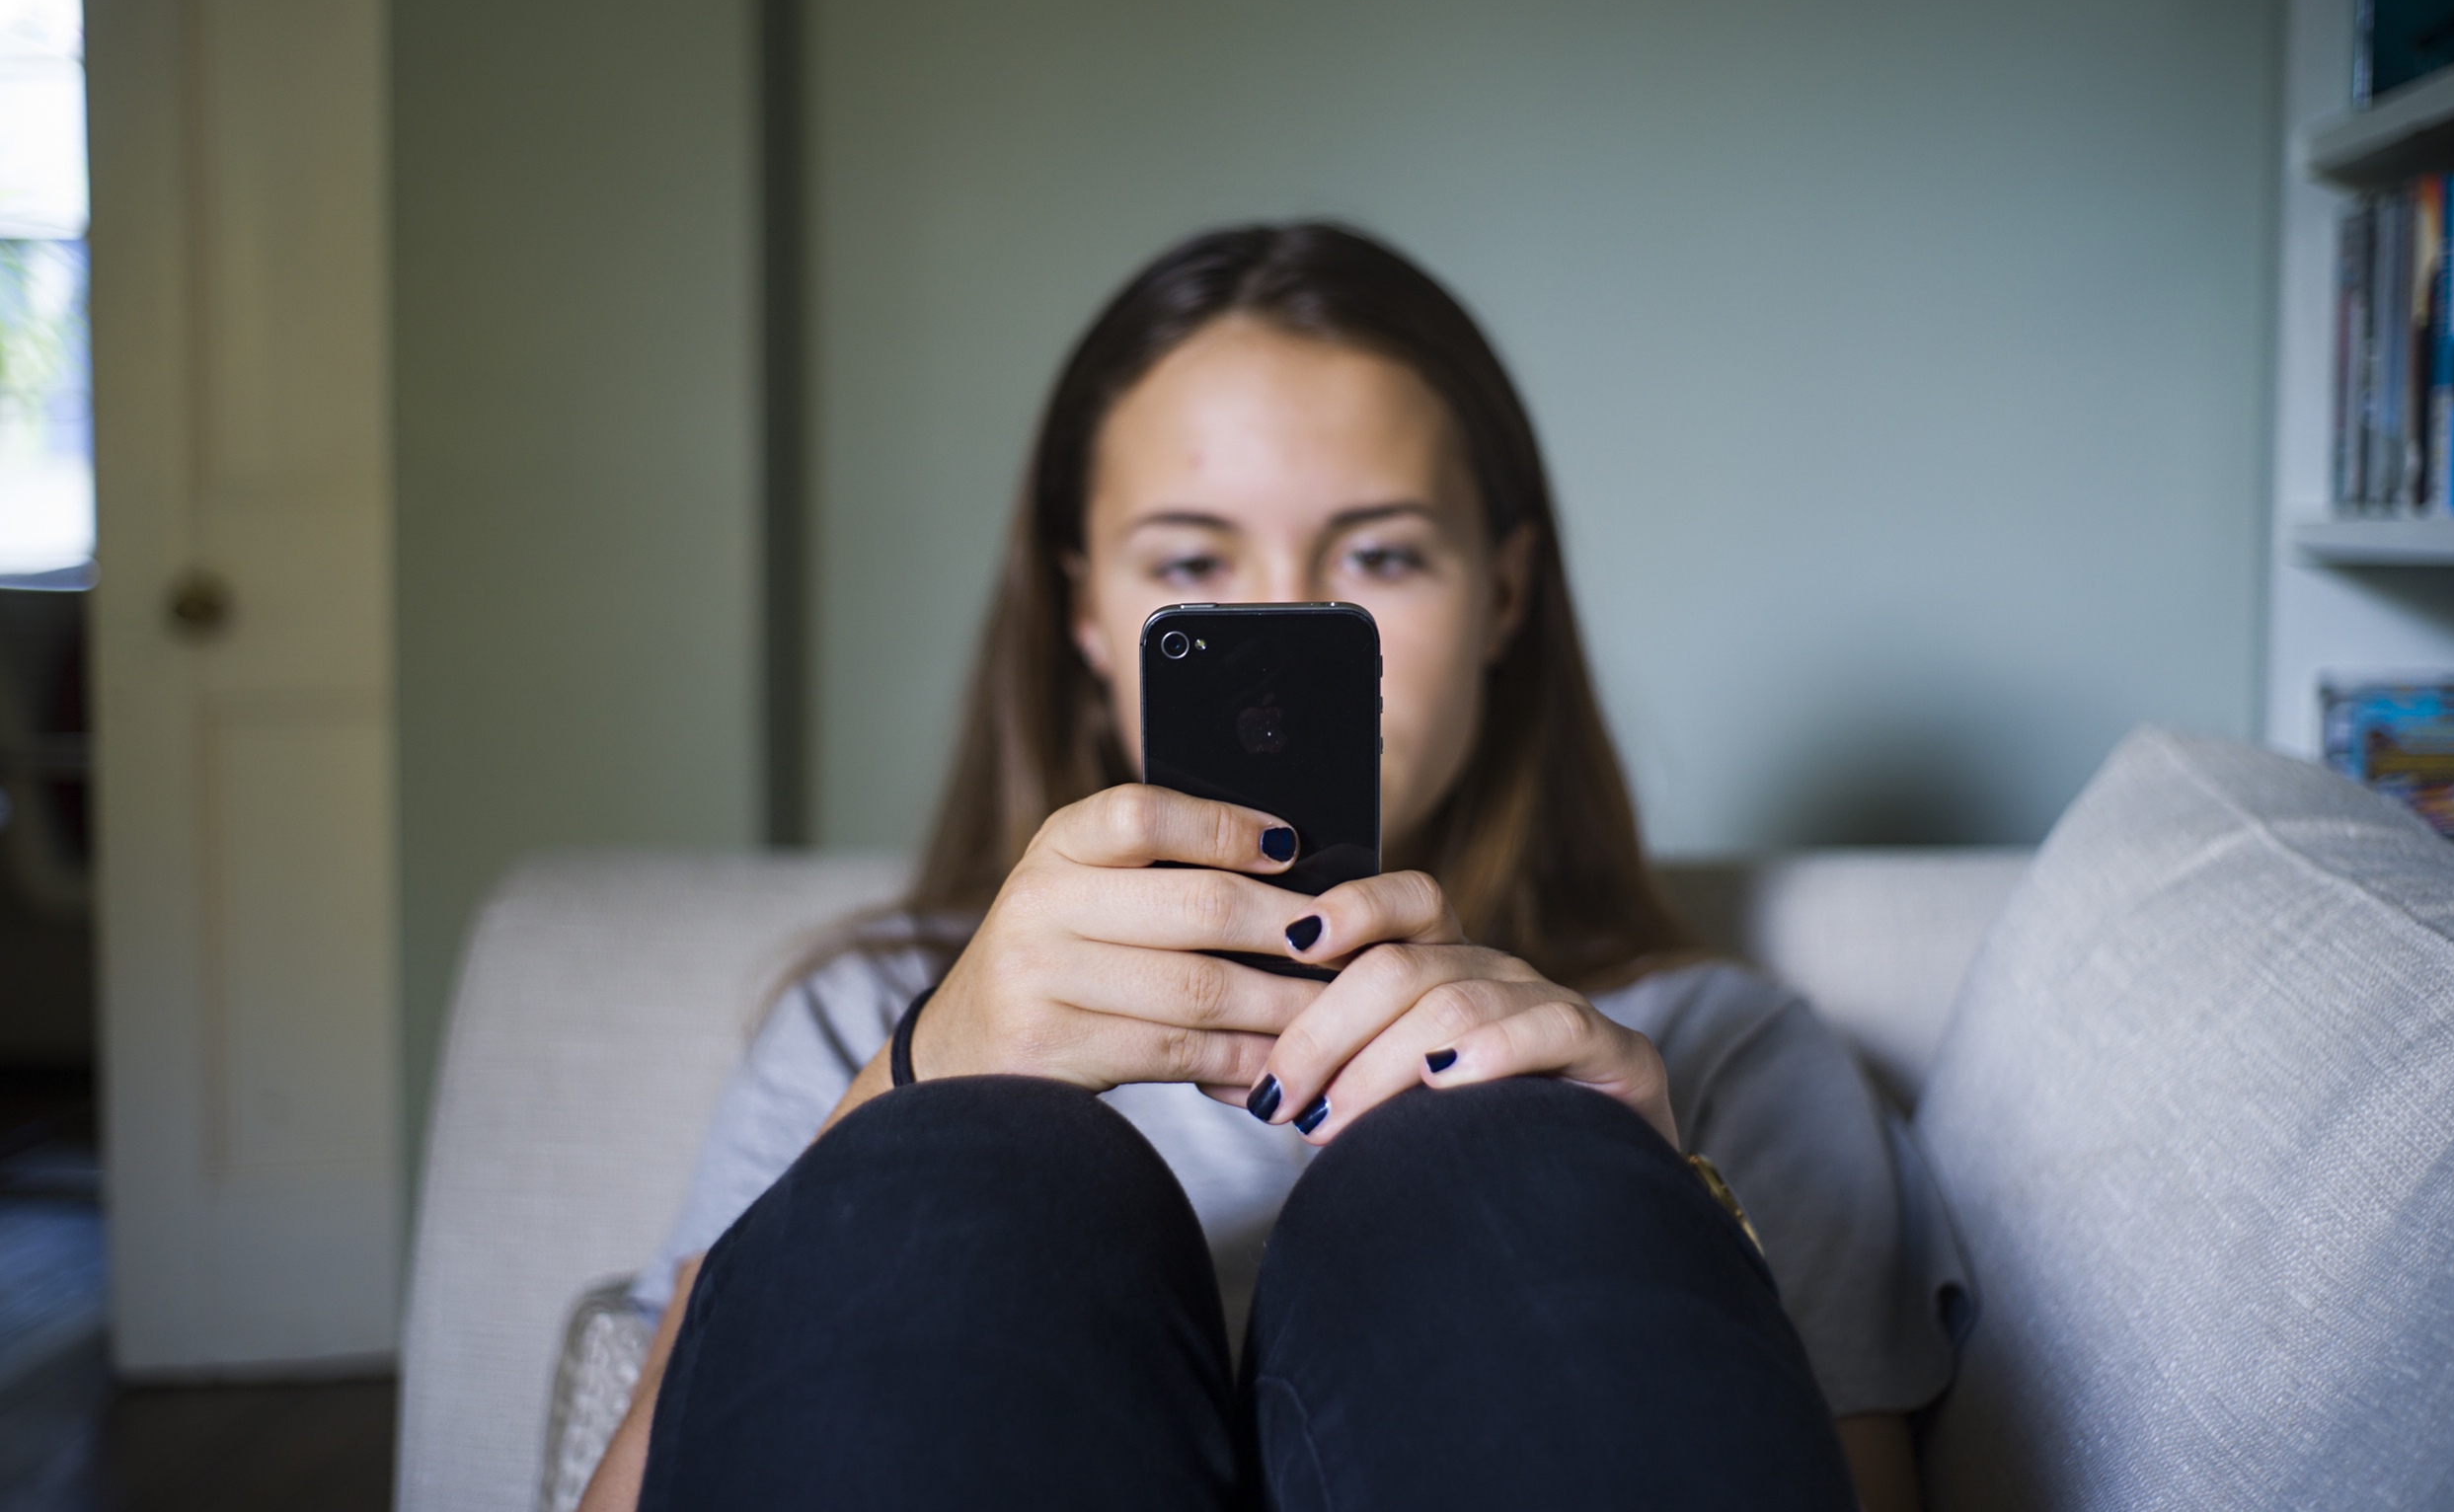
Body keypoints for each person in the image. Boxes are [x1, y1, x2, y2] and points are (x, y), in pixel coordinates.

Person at [578, 223, 1965, 1512]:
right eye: (1191, 556)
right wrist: (921, 1072)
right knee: (961, 1161)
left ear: (1505, 593)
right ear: (1081, 610)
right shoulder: (859, 1019)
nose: (1285, 616)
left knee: (1518, 1161)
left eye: (1382, 550)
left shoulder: (1715, 1047)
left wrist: (1649, 1205)